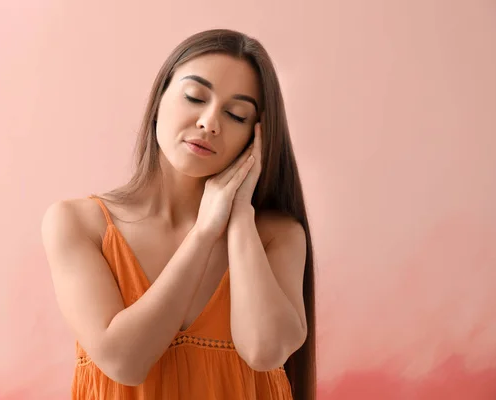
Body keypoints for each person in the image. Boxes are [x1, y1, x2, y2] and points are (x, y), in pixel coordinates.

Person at [41, 28, 316, 400]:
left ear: (257, 137)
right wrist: (204, 233)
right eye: (194, 97)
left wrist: (238, 220)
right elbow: (124, 362)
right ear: (159, 100)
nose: (209, 122)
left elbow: (264, 351)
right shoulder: (77, 223)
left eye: (236, 115)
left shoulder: (275, 235)